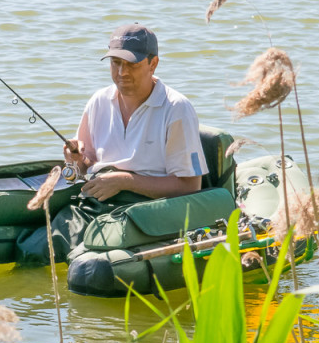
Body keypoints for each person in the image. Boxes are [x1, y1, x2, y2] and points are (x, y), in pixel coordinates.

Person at [16, 23, 208, 264]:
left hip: (143, 210)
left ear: (153, 64)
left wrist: (125, 182)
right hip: (94, 203)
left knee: (84, 263)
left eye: (132, 64)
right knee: (35, 249)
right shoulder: (99, 101)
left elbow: (190, 186)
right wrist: (76, 161)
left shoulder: (177, 109)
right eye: (115, 63)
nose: (122, 73)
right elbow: (86, 165)